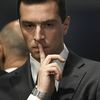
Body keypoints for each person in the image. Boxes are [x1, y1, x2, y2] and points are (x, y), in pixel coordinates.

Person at [0, 0, 100, 100]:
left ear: (65, 25)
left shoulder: (96, 76)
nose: (38, 36)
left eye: (48, 25)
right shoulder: (3, 86)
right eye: (29, 25)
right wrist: (38, 95)